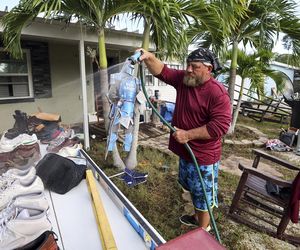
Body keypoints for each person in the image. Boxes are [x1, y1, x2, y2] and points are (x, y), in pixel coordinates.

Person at [138, 48, 231, 231]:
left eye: (194, 66)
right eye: (187, 65)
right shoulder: (185, 80)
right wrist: (148, 57)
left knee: (203, 196)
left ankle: (203, 231)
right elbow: (163, 71)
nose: (188, 69)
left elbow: (219, 127)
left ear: (208, 69)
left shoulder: (217, 93)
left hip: (203, 157)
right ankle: (196, 217)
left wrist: (188, 135)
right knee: (191, 188)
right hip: (186, 152)